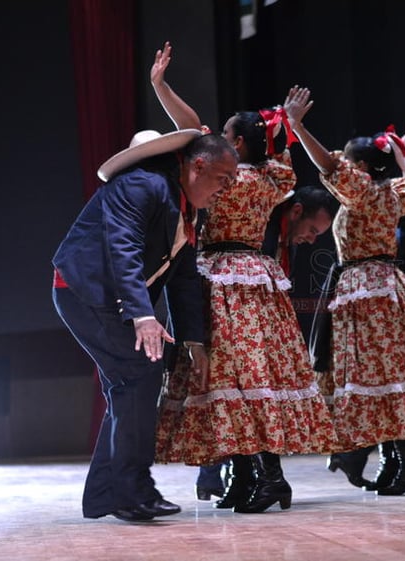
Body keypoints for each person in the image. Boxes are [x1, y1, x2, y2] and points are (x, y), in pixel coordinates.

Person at [150, 45, 337, 514]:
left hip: (222, 277)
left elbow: (190, 127)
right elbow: (279, 151)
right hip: (257, 277)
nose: (222, 138)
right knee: (250, 379)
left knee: (232, 380)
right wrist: (289, 124)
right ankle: (244, 475)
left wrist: (160, 86)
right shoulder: (274, 176)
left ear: (241, 144)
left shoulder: (227, 174)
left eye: (230, 134)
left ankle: (267, 477)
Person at [52, 129, 238, 522]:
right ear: (198, 165)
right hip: (85, 291)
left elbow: (185, 277)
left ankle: (107, 494)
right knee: (140, 374)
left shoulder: (186, 206)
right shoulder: (142, 185)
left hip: (111, 296)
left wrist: (193, 340)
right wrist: (142, 315)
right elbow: (124, 247)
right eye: (224, 179)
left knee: (130, 385)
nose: (227, 189)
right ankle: (130, 492)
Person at [285, 88, 405, 496]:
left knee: (378, 375)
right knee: (389, 376)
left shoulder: (365, 191)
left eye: (349, 160)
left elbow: (327, 164)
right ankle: (399, 461)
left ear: (359, 167)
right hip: (384, 288)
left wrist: (298, 127)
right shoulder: (395, 192)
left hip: (367, 290)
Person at [262, 184, 339, 276]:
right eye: (312, 231)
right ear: (297, 211)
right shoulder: (259, 232)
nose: (311, 240)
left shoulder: (289, 246)